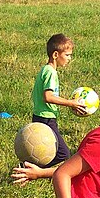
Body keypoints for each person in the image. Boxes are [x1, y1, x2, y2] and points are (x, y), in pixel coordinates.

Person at [29, 33, 91, 168]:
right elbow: (48, 97)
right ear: (56, 55)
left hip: (42, 116)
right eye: (67, 55)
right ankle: (35, 169)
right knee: (63, 153)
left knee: (45, 149)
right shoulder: (50, 73)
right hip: (45, 118)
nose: (70, 59)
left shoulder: (46, 70)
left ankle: (31, 167)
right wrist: (71, 103)